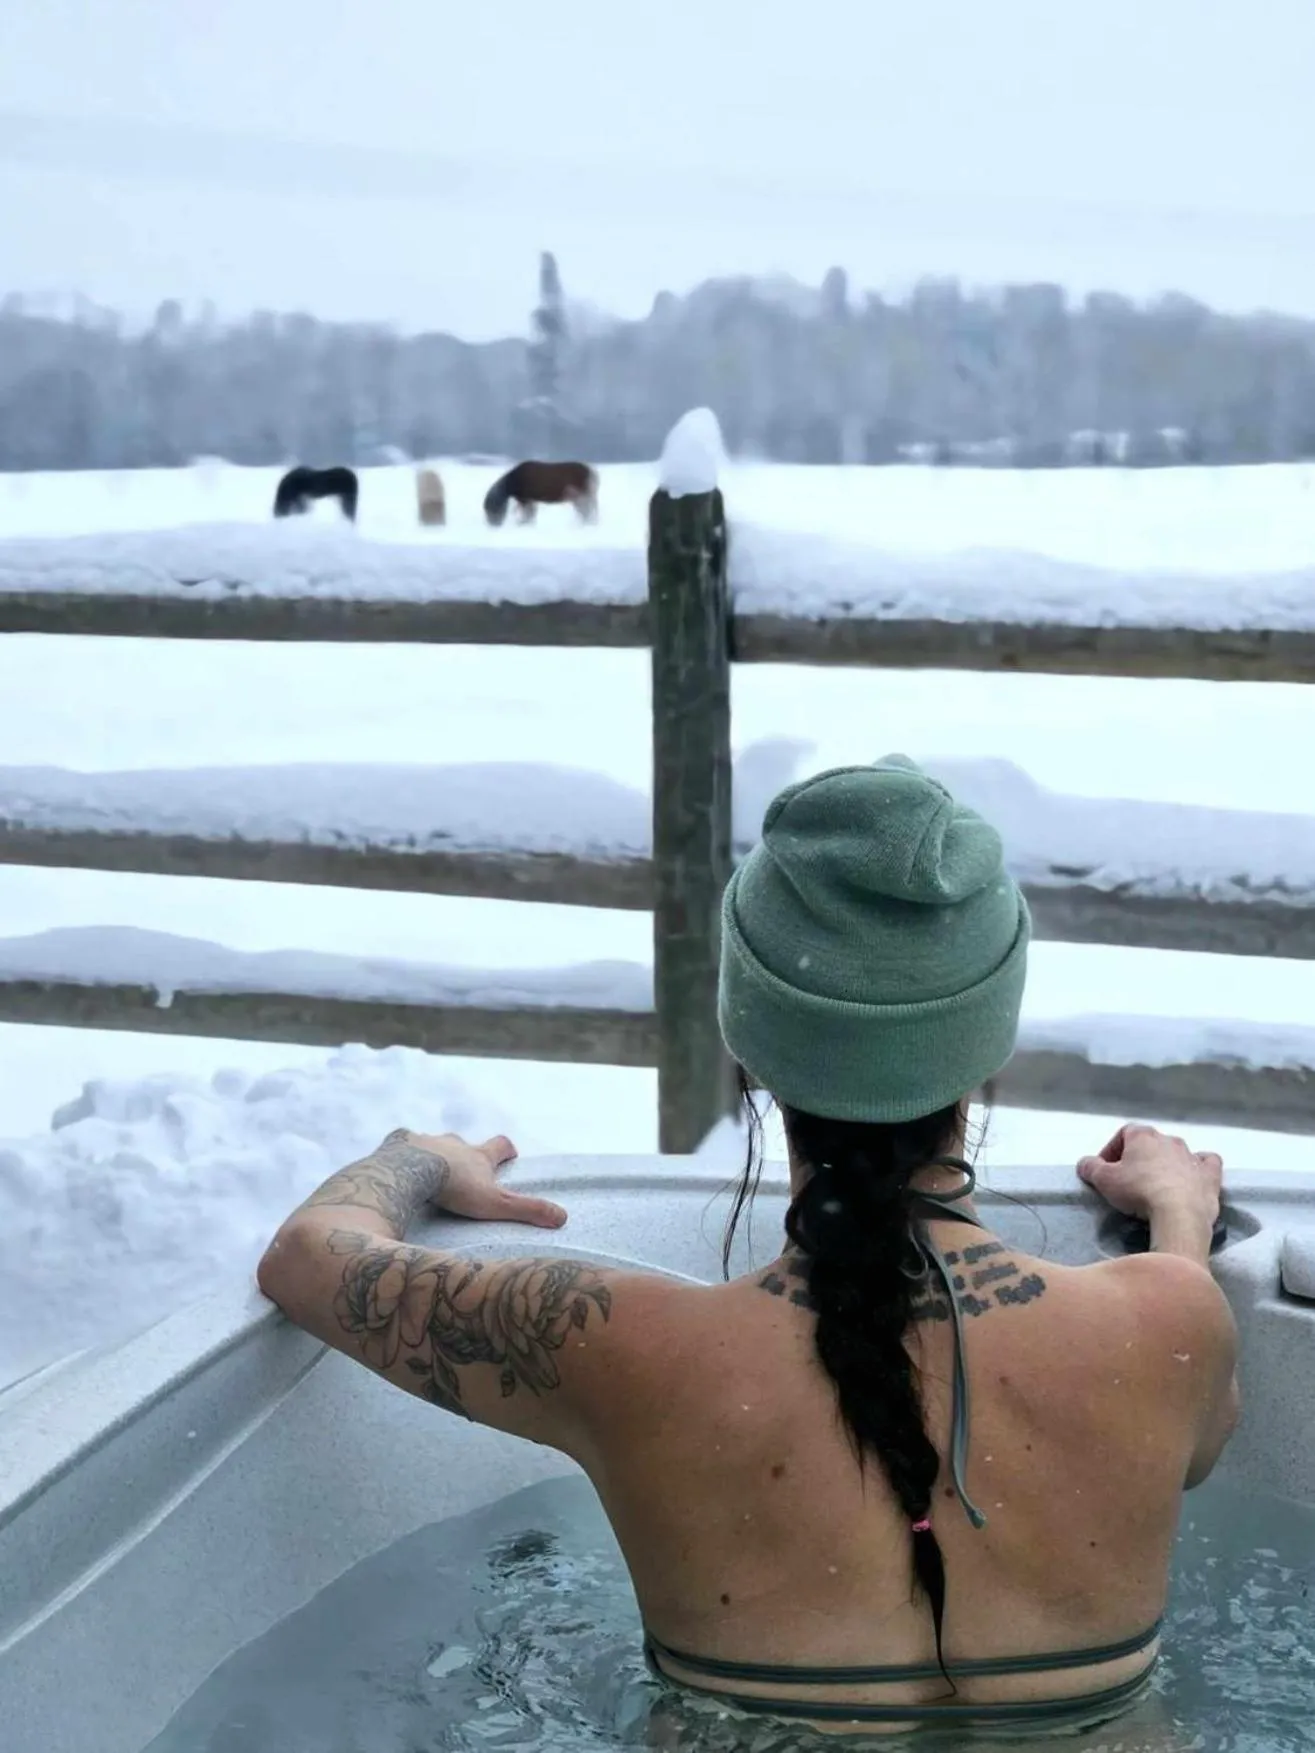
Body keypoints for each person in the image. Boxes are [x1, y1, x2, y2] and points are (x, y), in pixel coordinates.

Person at [257, 755, 1238, 1735]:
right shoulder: (1167, 1322)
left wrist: (419, 1159)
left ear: (748, 1040)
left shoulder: (609, 1347)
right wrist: (1177, 1222)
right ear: (987, 1046)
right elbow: (1191, 1435)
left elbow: (307, 1256)